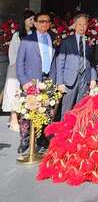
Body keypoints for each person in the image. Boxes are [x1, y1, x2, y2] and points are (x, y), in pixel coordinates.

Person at [16, 11, 57, 154]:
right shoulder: (28, 40)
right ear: (35, 23)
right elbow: (19, 62)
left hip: (48, 81)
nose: (44, 24)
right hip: (31, 81)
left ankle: (41, 140)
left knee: (46, 112)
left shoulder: (53, 38)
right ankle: (25, 140)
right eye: (41, 21)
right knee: (27, 113)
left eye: (47, 21)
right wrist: (24, 82)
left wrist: (55, 81)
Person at [56, 13, 96, 119]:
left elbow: (92, 62)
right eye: (79, 24)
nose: (82, 27)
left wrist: (93, 78)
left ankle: (77, 133)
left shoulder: (89, 41)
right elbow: (60, 62)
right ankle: (63, 134)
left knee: (82, 108)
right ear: (74, 25)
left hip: (85, 78)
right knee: (66, 109)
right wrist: (60, 82)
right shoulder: (66, 41)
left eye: (84, 24)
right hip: (69, 80)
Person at [2, 9, 35, 132]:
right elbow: (13, 53)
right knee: (14, 92)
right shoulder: (17, 35)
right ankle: (14, 119)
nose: (32, 21)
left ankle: (16, 118)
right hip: (16, 67)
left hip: (29, 68)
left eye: (33, 19)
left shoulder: (34, 34)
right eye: (30, 19)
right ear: (24, 20)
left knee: (25, 93)